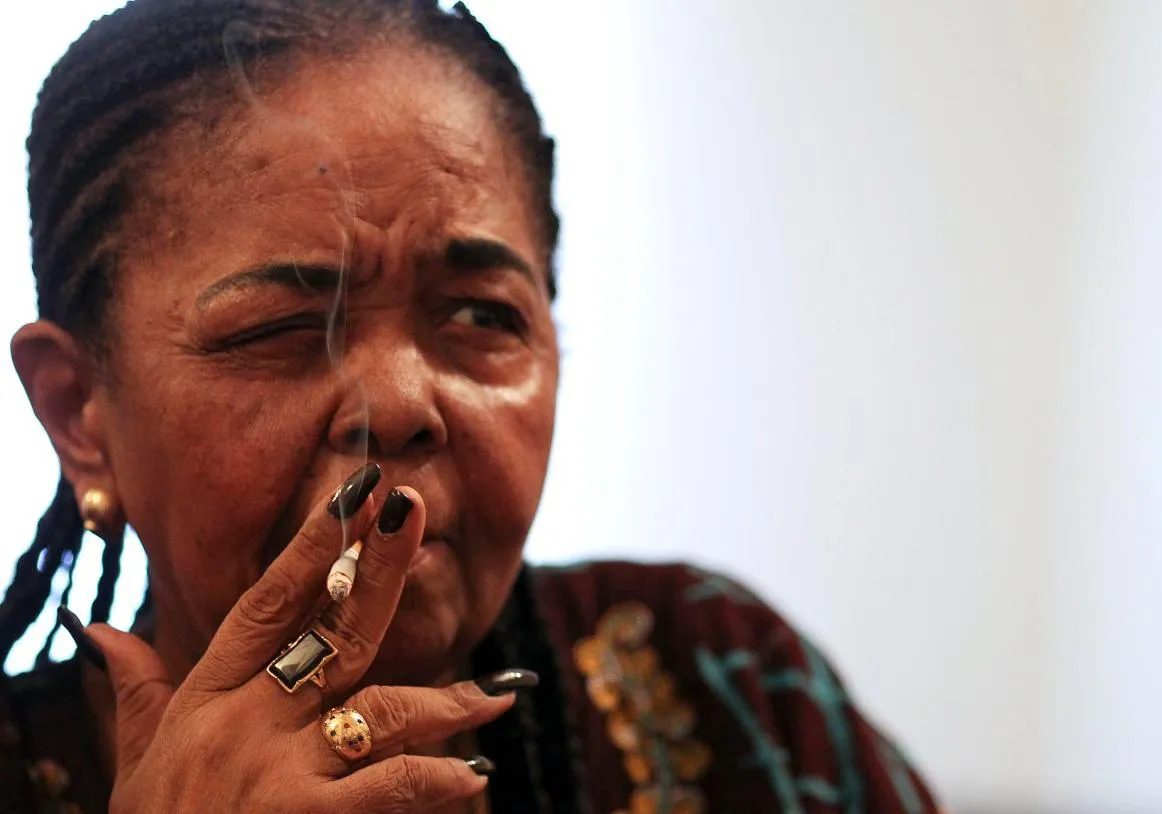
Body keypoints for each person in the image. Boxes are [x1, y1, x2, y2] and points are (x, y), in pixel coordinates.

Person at [0, 1, 943, 812]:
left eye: (482, 316)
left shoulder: (727, 684)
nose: (401, 402)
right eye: (280, 329)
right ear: (77, 411)